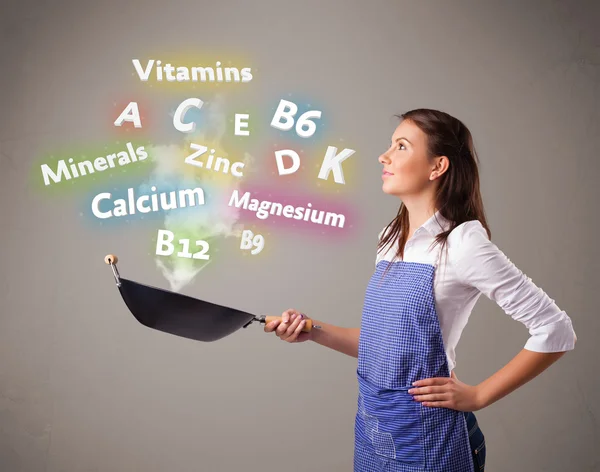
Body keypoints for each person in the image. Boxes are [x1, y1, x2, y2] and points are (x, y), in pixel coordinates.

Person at [264, 108, 577, 472]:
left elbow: (555, 329)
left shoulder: (463, 243)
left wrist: (478, 395)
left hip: (432, 440)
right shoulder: (390, 238)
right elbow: (386, 345)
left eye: (401, 146)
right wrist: (312, 330)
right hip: (376, 431)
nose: (384, 156)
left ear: (437, 167)